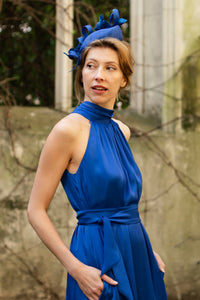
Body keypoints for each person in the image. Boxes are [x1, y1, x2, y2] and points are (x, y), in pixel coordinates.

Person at [28, 9, 168, 300]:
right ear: (81, 74)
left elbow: (122, 206)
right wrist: (76, 268)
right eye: (90, 66)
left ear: (124, 80)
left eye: (110, 68)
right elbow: (35, 210)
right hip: (94, 259)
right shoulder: (67, 130)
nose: (98, 76)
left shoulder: (122, 130)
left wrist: (144, 249)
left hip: (136, 254)